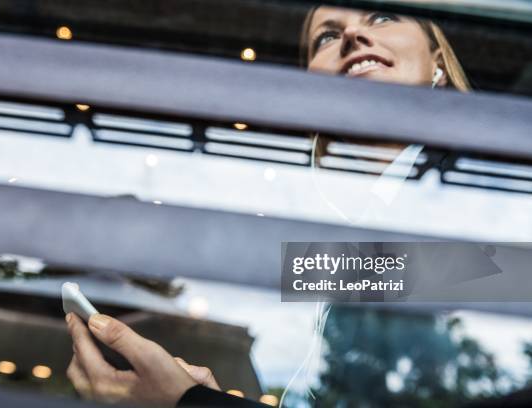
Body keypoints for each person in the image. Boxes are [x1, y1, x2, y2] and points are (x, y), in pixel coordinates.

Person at [65, 5, 470, 408]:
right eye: (327, 37)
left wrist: (186, 403)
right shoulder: (337, 225)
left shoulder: (488, 201)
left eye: (381, 16)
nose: (350, 36)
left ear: (438, 60)